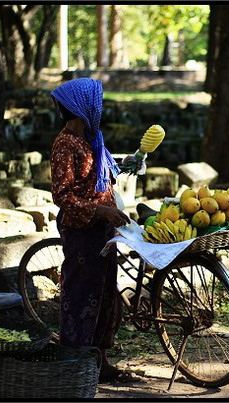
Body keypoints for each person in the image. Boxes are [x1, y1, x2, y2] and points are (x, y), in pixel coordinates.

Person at [49, 78, 132, 383]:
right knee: (81, 295)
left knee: (106, 293)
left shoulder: (91, 137)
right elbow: (63, 196)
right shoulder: (65, 144)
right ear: (83, 107)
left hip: (104, 230)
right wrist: (100, 210)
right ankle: (74, 364)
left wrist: (129, 162)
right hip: (83, 231)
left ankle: (100, 360)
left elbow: (102, 171)